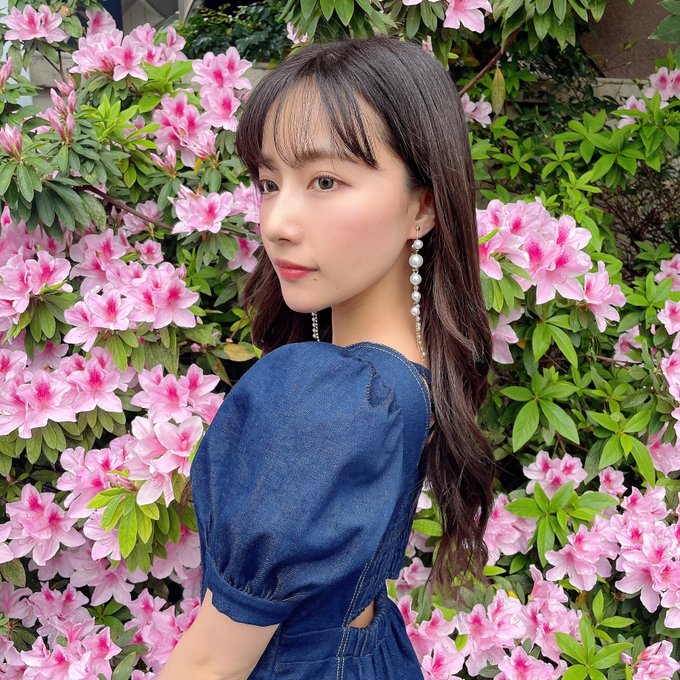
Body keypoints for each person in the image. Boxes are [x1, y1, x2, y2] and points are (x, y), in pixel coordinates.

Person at [158, 35, 495, 680]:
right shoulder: (407, 379)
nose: (276, 223)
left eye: (324, 181)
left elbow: (211, 664)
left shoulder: (326, 395)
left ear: (422, 206)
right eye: (268, 183)